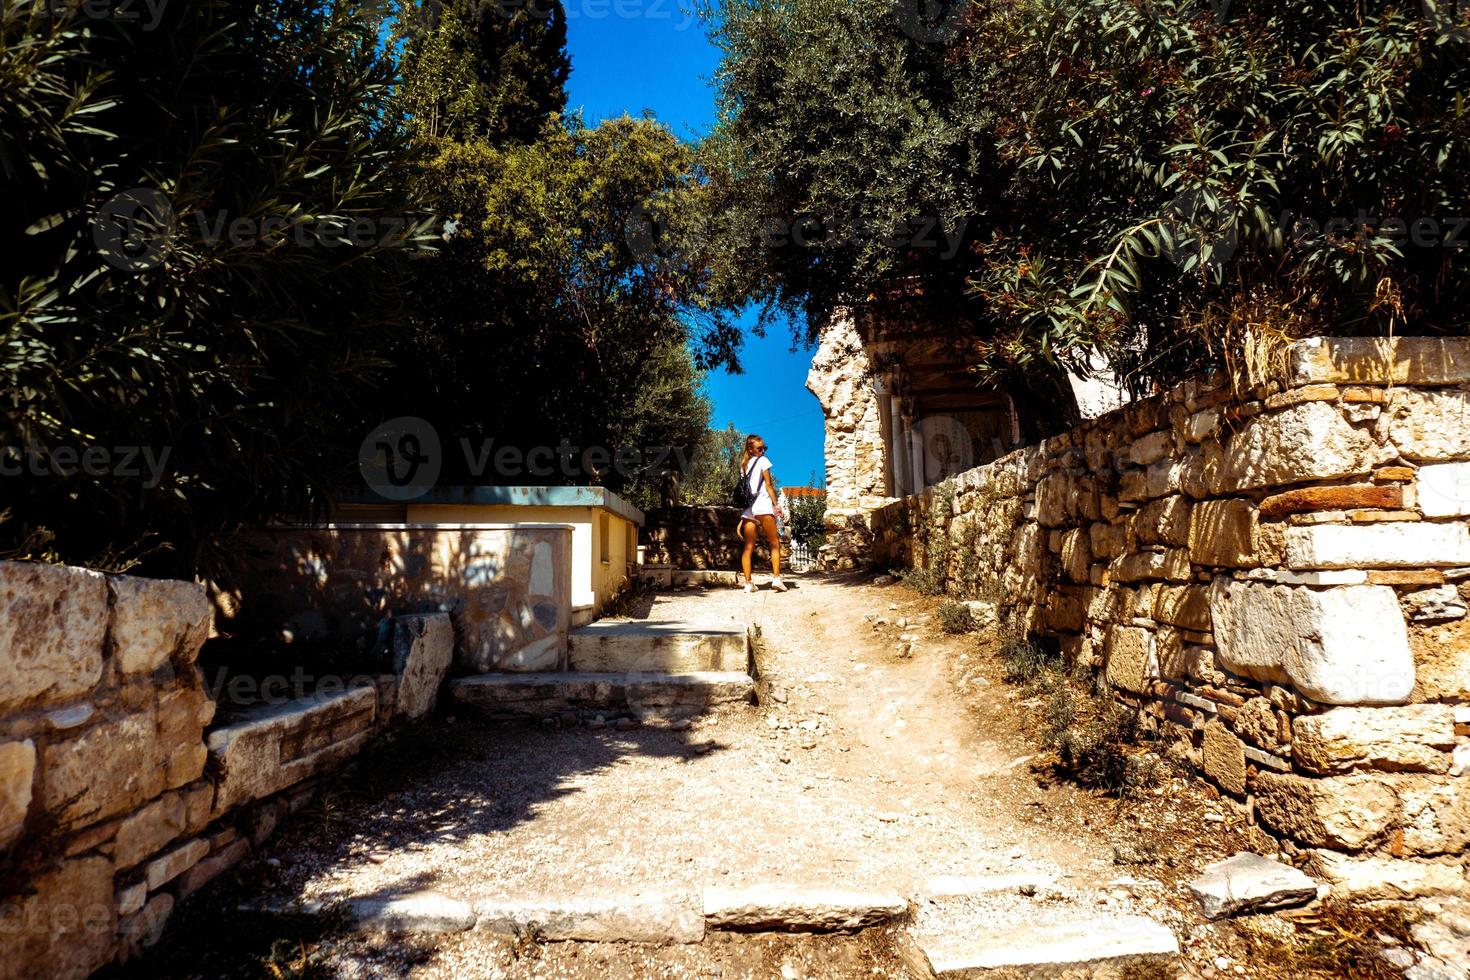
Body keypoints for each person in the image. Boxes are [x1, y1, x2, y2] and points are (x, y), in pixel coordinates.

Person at [736, 434, 786, 593]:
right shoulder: (763, 461)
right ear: (750, 449)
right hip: (763, 505)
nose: (763, 451)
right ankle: (777, 579)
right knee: (774, 542)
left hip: (749, 510)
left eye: (765, 448)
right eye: (759, 448)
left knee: (748, 547)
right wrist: (776, 505)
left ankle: (748, 583)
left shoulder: (744, 465)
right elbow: (769, 485)